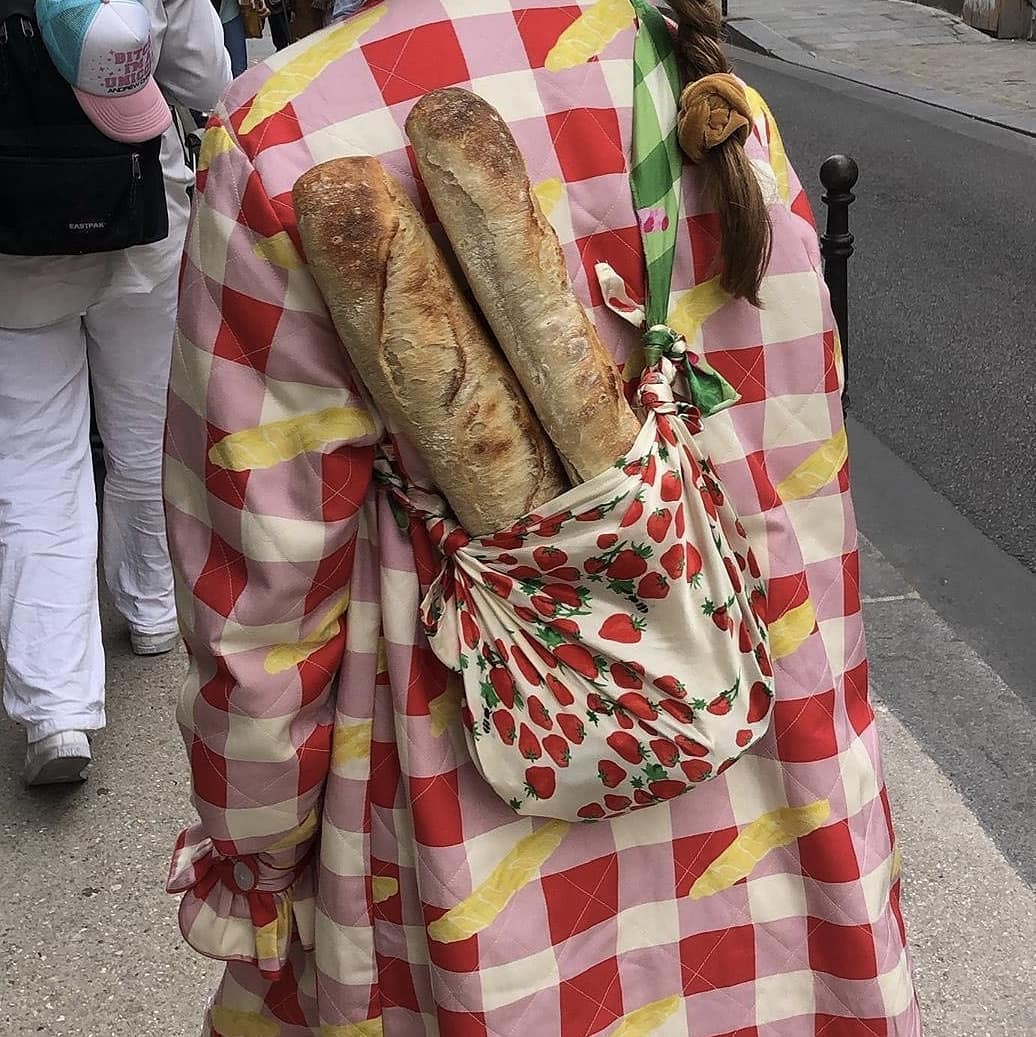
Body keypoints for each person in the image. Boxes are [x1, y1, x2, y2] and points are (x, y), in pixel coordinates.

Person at [164, 1, 923, 1034]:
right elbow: (800, 475)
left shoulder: (280, 137)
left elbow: (262, 599)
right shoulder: (682, 77)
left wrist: (255, 853)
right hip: (753, 762)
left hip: (468, 826)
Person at [0, 0, 230, 786]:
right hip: (142, 219)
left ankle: (55, 705)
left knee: (34, 462)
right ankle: (153, 608)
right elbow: (208, 77)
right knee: (146, 429)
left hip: (12, 237)